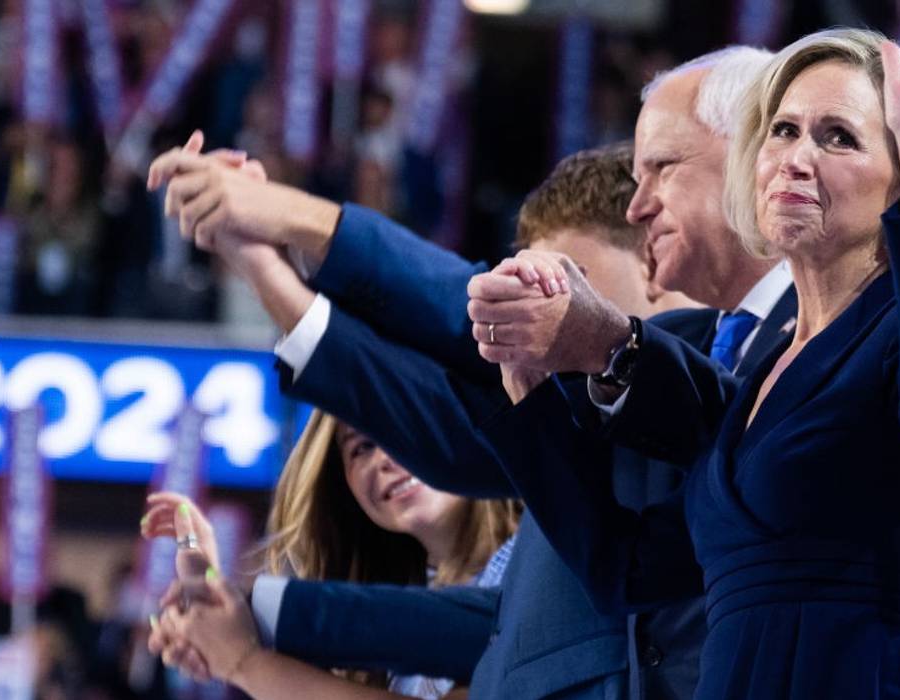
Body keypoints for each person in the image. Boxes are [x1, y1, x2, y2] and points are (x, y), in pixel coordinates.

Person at [467, 3, 900, 696]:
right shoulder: (760, 374)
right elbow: (626, 570)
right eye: (782, 130)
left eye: (838, 137)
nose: (795, 156)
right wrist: (529, 389)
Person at [146, 135, 721, 698]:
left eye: (570, 287)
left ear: (654, 259)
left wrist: (295, 218)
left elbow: (455, 331)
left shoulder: (735, 395)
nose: (544, 319)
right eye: (358, 450)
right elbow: (436, 412)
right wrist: (259, 260)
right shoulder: (575, 459)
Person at [142, 412, 519, 699]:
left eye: (399, 425)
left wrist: (245, 662)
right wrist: (208, 589)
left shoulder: (541, 563)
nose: (385, 457)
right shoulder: (385, 632)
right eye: (361, 447)